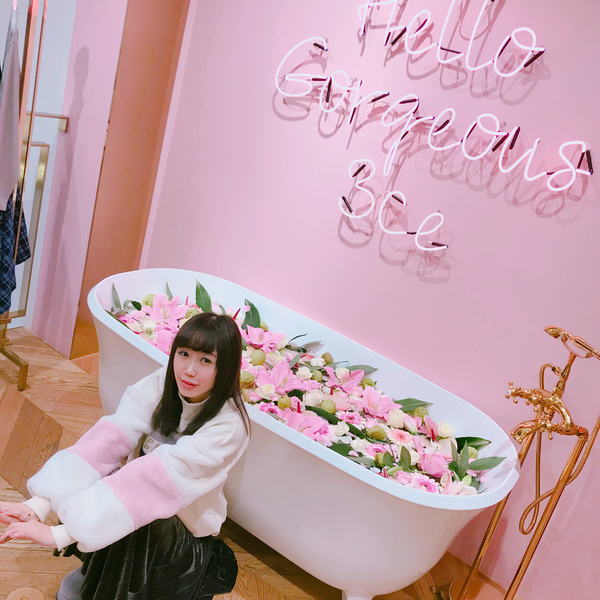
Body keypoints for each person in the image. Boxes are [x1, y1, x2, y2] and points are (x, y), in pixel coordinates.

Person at [0, 312, 250, 600]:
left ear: (225, 367)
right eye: (184, 354)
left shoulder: (229, 425)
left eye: (205, 360)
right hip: (139, 500)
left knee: (143, 506)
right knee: (108, 472)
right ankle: (95, 577)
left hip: (180, 535)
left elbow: (154, 481)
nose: (189, 370)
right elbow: (110, 437)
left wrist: (61, 534)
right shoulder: (164, 381)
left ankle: (112, 590)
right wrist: (38, 505)